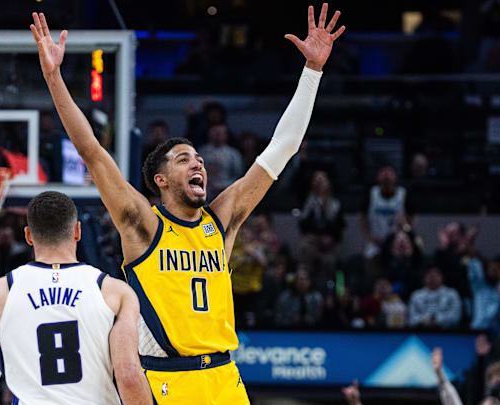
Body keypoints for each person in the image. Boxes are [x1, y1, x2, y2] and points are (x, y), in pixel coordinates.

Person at [31, 4, 345, 402]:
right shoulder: (142, 224)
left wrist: (312, 71)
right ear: (160, 180)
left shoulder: (222, 219)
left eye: (198, 159)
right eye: (184, 160)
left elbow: (282, 147)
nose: (197, 163)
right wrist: (54, 78)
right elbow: (91, 150)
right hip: (167, 381)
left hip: (225, 378)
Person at [0, 191, 151, 405]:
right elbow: (129, 376)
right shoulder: (115, 292)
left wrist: (3, 346)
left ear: (28, 235)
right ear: (77, 231)